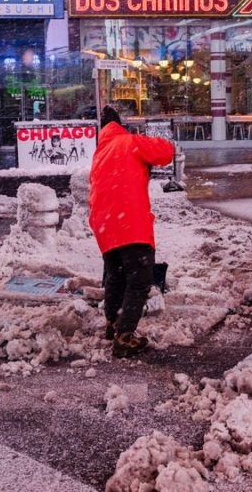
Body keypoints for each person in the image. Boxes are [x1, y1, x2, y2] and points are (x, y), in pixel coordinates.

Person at [89, 105, 175, 357]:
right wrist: (154, 140)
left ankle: (113, 323)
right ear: (119, 125)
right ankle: (124, 335)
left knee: (116, 275)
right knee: (139, 280)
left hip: (105, 224)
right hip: (129, 222)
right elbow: (165, 152)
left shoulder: (100, 153)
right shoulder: (128, 142)